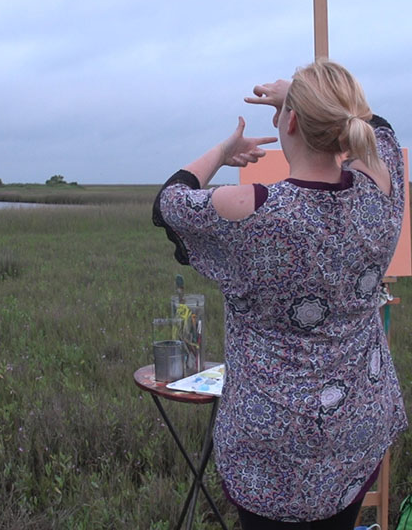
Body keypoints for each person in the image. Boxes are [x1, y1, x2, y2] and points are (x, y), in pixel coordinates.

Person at [153, 60, 408, 529]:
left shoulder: (255, 211)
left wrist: (224, 150)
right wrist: (302, 93)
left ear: (288, 121)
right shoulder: (383, 194)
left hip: (270, 452)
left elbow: (169, 201)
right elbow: (380, 127)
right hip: (359, 428)